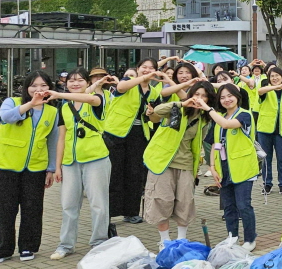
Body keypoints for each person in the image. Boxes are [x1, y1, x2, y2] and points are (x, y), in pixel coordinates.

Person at [48, 68, 112, 260]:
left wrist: (59, 94)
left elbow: (92, 99)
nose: (75, 84)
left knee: (98, 204)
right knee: (68, 204)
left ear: (87, 83)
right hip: (70, 161)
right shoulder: (64, 107)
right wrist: (57, 166)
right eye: (71, 81)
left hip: (96, 158)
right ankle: (65, 245)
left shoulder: (97, 99)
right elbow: (61, 137)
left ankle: (99, 242)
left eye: (80, 80)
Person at [143, 81, 215, 249]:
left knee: (185, 201)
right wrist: (183, 103)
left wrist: (197, 167)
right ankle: (165, 241)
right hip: (162, 161)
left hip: (186, 163)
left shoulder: (204, 120)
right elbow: (157, 112)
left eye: (204, 96)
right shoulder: (178, 109)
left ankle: (182, 240)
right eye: (197, 94)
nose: (200, 98)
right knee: (162, 200)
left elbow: (198, 143)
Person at [0, 72, 59, 262]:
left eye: (43, 85)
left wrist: (50, 168)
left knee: (32, 208)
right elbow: (6, 117)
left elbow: (53, 141)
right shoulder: (12, 101)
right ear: (27, 88)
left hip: (36, 167)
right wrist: (30, 105)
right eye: (34, 85)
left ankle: (28, 247)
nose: (39, 90)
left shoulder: (52, 111)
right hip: (7, 164)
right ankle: (3, 249)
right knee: (6, 209)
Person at [104, 58, 166, 224]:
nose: (147, 70)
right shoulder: (128, 81)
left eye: (151, 68)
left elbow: (155, 119)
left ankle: (131, 212)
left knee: (135, 174)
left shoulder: (154, 93)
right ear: (138, 69)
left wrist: (151, 113)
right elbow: (120, 87)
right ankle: (108, 213)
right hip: (116, 133)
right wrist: (144, 78)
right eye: (144, 67)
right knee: (114, 173)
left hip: (139, 134)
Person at [200, 83, 258, 251]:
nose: (226, 100)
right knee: (229, 207)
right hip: (224, 169)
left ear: (237, 97)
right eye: (222, 97)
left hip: (243, 168)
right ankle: (232, 237)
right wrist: (212, 167)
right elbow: (214, 144)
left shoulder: (245, 115)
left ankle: (250, 238)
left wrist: (207, 108)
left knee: (243, 205)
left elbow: (227, 125)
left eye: (229, 96)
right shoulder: (219, 118)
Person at [256, 66, 282, 194]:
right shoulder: (266, 90)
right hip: (265, 129)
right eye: (272, 76)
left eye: (277, 75)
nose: (275, 78)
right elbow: (260, 91)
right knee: (266, 157)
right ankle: (267, 183)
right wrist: (276, 87)